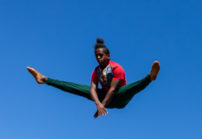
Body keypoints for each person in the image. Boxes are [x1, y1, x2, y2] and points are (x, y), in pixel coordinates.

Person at [26, 38, 160, 118]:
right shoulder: (96, 71)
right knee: (81, 89)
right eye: (96, 56)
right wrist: (98, 104)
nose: (98, 58)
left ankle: (149, 77)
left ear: (108, 56)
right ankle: (44, 79)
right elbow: (92, 90)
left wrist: (102, 105)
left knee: (127, 89)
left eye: (101, 55)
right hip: (104, 98)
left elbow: (113, 90)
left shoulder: (117, 68)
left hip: (120, 98)